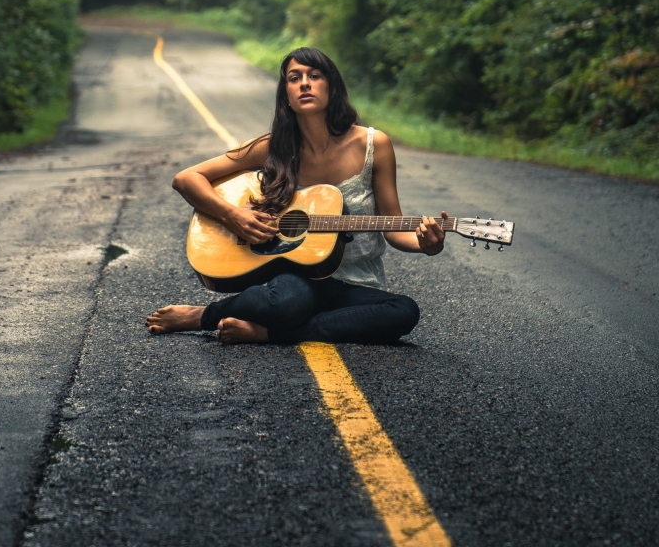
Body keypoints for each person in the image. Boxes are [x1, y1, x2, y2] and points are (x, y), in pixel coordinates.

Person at [145, 46, 448, 345]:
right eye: (294, 78)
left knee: (403, 311)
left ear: (332, 87)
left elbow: (393, 228)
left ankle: (271, 333)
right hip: (298, 280)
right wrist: (232, 215)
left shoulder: (373, 145)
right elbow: (186, 178)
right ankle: (204, 316)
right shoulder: (272, 146)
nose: (304, 83)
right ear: (286, 95)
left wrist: (426, 245)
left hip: (356, 283)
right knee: (286, 301)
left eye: (314, 75)